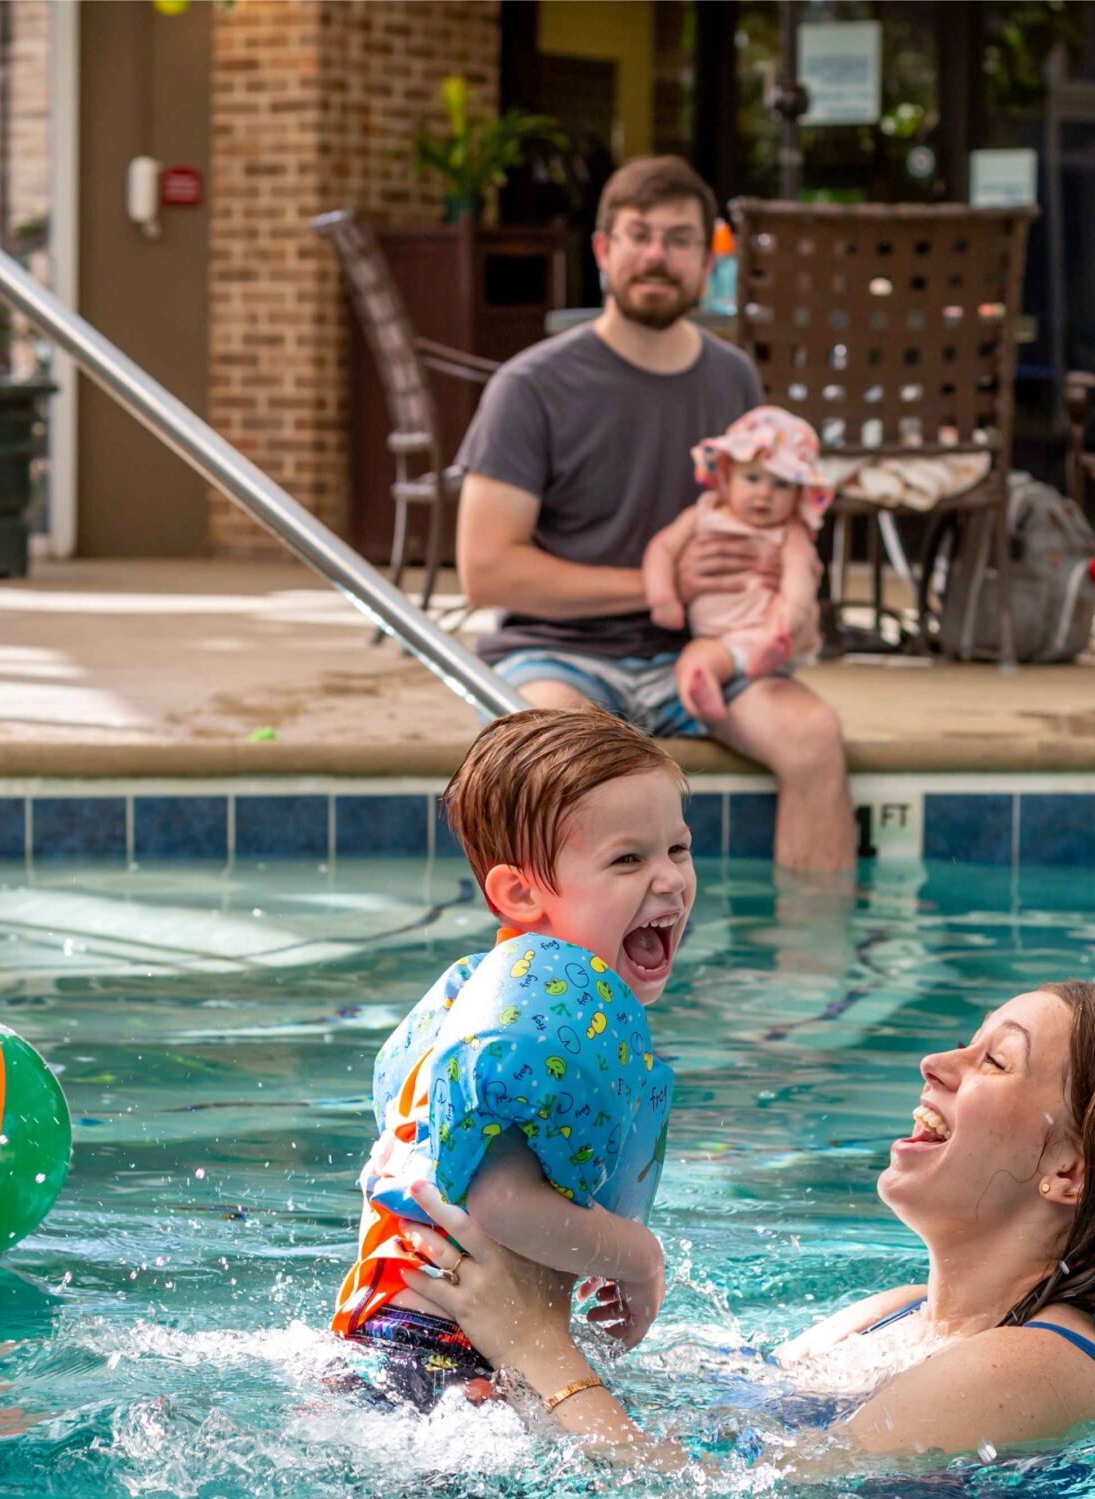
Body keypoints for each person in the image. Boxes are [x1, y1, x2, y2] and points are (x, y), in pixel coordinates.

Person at [393, 981, 1095, 1467]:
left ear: (1069, 1169)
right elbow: (683, 1418)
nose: (936, 1062)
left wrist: (538, 1346)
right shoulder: (890, 1312)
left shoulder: (1041, 1364)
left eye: (994, 1059)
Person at [455, 155, 856, 873]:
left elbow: (771, 526)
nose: (656, 256)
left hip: (702, 654)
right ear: (604, 251)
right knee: (561, 771)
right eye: (639, 235)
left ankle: (813, 979)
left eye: (678, 240)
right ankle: (573, 984)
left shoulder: (732, 378)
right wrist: (652, 586)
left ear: (708, 263)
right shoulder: (531, 386)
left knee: (814, 739)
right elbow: (486, 570)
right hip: (562, 654)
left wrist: (787, 609)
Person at [331, 708, 694, 1407]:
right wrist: (639, 1258)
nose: (671, 879)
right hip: (444, 1360)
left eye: (677, 849)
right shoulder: (530, 1022)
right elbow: (500, 1205)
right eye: (629, 858)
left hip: (407, 1349)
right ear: (520, 892)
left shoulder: (504, 998)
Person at [642, 405, 830, 728]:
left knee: (783, 620)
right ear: (726, 478)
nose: (765, 494)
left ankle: (770, 652)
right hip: (719, 638)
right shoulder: (702, 513)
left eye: (781, 485)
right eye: (753, 478)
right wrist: (663, 598)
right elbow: (662, 549)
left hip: (769, 626)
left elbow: (799, 575)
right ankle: (704, 693)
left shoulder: (790, 531)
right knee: (697, 660)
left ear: (799, 493)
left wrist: (792, 614)